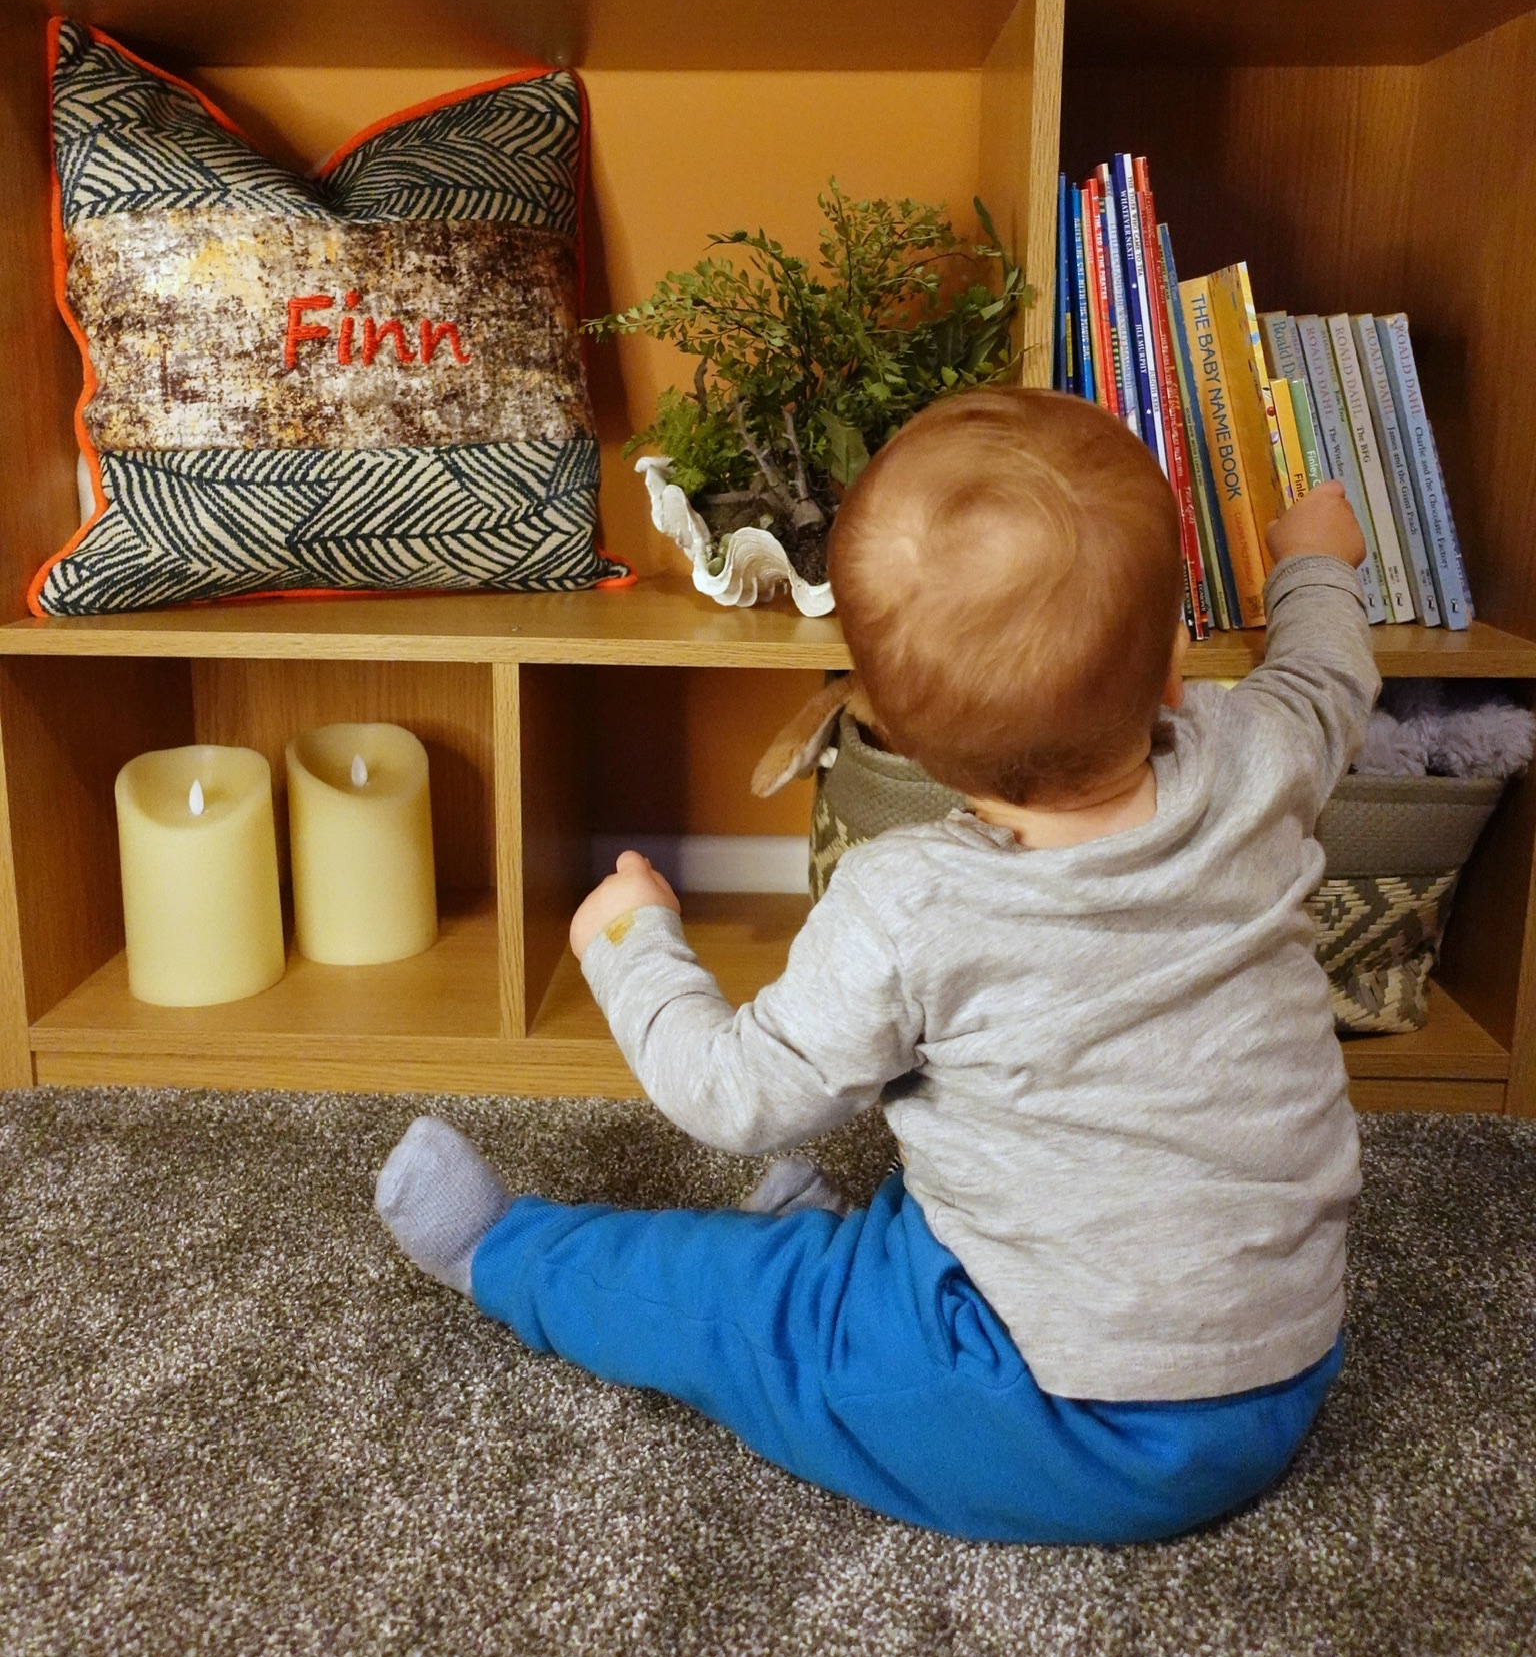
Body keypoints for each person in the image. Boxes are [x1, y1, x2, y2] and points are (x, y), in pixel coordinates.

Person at [376, 387, 1376, 1544]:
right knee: (1013, 1151)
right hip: (1288, 1369)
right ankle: (852, 1254)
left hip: (1071, 1419)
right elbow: (1325, 678)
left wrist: (630, 945)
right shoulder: (1262, 755)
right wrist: (1313, 564)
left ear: (896, 733)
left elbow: (734, 1093)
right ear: (1171, 668)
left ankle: (502, 1255)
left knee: (736, 1313)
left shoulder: (912, 898)